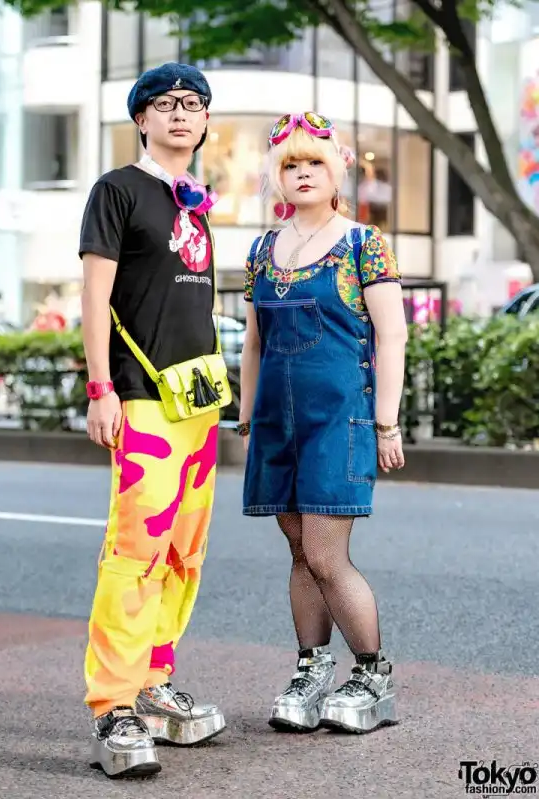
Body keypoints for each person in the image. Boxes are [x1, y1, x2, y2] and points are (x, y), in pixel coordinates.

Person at [78, 62, 226, 779]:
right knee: (135, 548)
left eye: (193, 103)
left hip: (198, 403)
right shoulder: (117, 190)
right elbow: (95, 294)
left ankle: (153, 682)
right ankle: (113, 704)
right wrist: (99, 387)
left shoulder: (195, 201)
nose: (180, 113)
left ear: (205, 121)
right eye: (165, 103)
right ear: (141, 119)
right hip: (140, 397)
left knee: (183, 551)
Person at [238, 113, 407, 735]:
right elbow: (253, 342)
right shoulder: (262, 251)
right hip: (276, 423)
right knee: (298, 551)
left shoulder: (364, 243)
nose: (303, 173)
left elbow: (392, 336)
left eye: (315, 162)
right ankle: (312, 670)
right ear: (276, 177)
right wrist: (246, 415)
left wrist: (386, 424)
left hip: (341, 418)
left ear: (337, 171)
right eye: (291, 165)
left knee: (324, 553)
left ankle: (373, 675)